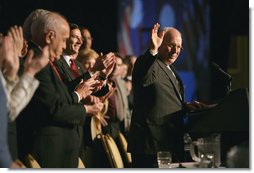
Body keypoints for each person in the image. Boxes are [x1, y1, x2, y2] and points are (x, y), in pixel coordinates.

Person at [16, 12, 98, 168]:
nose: (64, 46)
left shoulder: (46, 61)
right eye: (64, 40)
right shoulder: (36, 60)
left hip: (59, 149)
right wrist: (84, 106)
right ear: (49, 37)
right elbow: (53, 108)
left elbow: (59, 98)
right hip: (49, 151)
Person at [127, 23, 207, 168]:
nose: (175, 51)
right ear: (160, 43)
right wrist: (152, 50)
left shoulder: (170, 69)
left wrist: (185, 106)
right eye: (171, 45)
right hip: (150, 147)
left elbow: (165, 100)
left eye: (179, 47)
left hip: (168, 142)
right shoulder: (148, 63)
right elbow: (143, 77)